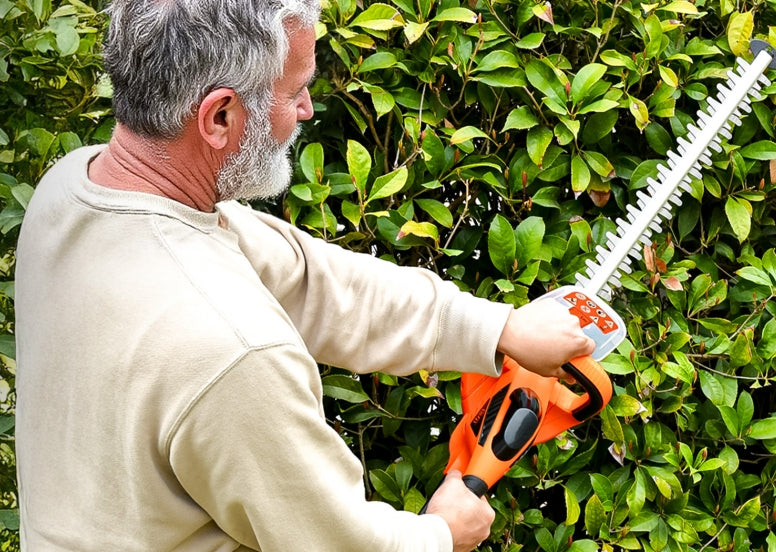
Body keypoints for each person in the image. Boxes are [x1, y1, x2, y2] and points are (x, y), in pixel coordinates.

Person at [14, 0, 596, 550]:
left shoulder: (74, 190)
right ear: (220, 116)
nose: (307, 110)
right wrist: (442, 533)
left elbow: (314, 280)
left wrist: (498, 329)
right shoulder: (230, 352)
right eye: (295, 92)